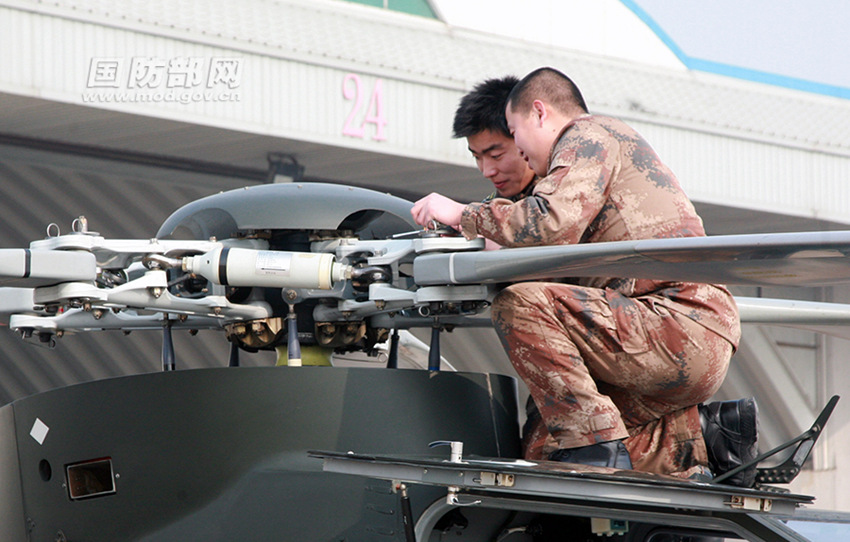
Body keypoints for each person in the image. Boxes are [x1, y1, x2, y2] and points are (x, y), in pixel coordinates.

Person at [412, 67, 758, 485]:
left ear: (538, 114)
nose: (492, 167)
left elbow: (551, 224)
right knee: (547, 452)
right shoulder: (528, 199)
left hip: (677, 323)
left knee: (521, 306)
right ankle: (708, 436)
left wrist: (465, 215)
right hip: (651, 334)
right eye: (478, 158)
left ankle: (599, 452)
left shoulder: (587, 137)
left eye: (505, 147)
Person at [452, 76, 536, 202]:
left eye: (496, 156)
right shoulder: (489, 208)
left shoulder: (564, 192)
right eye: (477, 157)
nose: (487, 172)